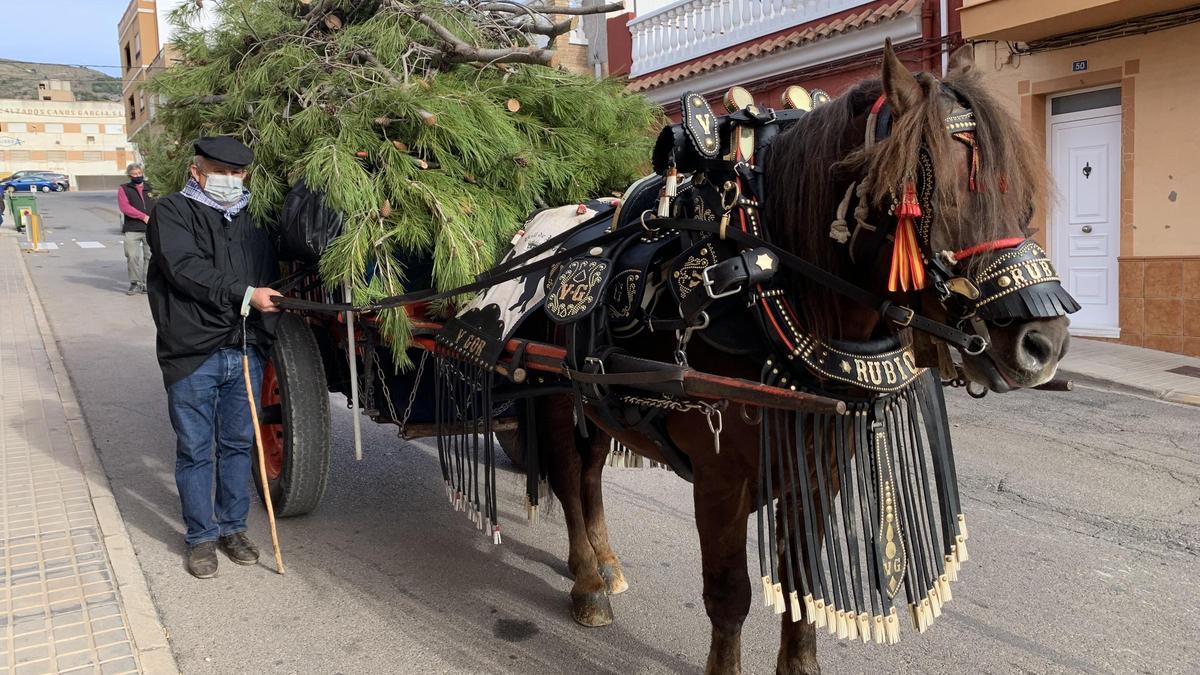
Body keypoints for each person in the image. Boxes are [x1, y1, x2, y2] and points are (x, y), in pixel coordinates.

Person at [146, 136, 284, 578]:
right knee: (195, 450)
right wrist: (245, 294)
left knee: (239, 445)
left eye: (237, 173)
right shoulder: (172, 212)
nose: (229, 180)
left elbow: (273, 272)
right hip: (193, 354)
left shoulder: (254, 218)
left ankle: (233, 529)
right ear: (196, 171)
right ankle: (200, 537)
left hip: (244, 349)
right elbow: (184, 268)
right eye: (220, 172)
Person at [117, 163, 156, 294]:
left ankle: (146, 284)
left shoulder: (151, 187)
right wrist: (143, 216)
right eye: (134, 174)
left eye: (139, 173)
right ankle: (135, 283)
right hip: (132, 229)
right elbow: (125, 208)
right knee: (132, 256)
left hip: (150, 228)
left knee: (150, 257)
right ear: (129, 175)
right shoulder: (124, 189)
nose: (138, 176)